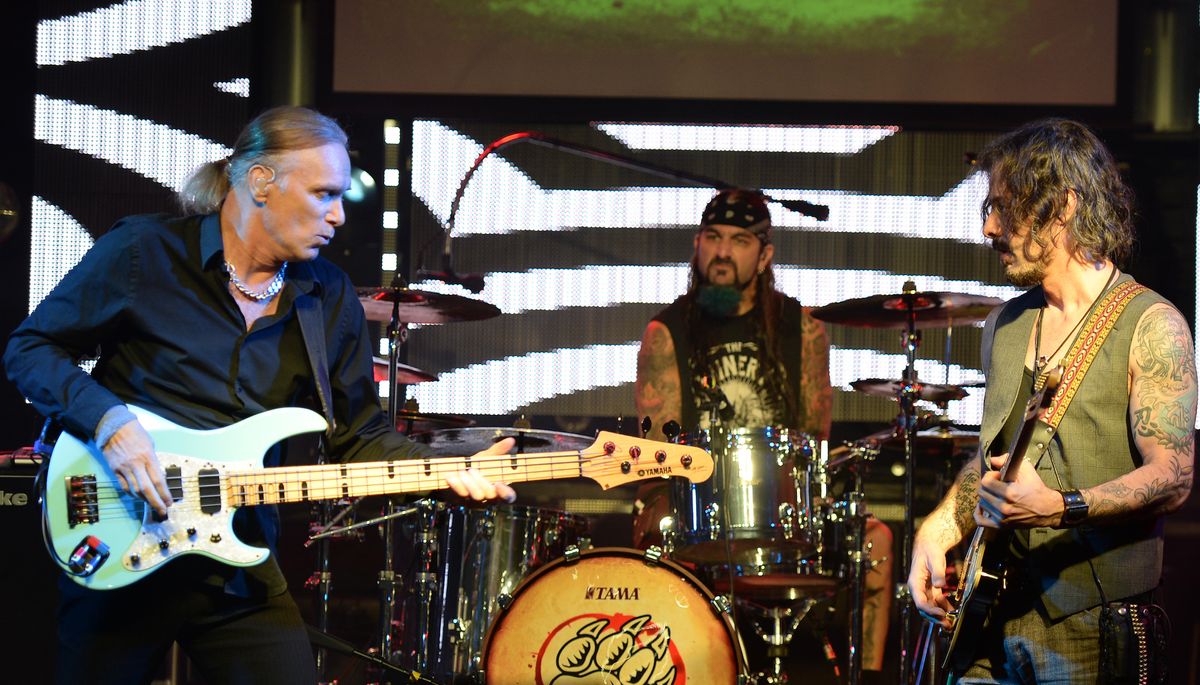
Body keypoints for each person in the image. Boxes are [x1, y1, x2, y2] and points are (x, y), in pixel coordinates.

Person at [4, 106, 513, 684]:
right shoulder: (145, 252)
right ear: (261, 182)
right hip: (121, 541)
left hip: (236, 559)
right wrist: (109, 423)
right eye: (324, 194)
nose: (339, 216)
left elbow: (359, 435)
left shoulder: (327, 295)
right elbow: (30, 350)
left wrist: (445, 470)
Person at [908, 118, 1196, 682]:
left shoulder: (1152, 324)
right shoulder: (1007, 324)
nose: (988, 227)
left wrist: (1061, 506)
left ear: (1061, 207)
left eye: (1002, 207)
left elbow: (1174, 475)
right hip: (991, 612)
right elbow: (996, 456)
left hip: (1092, 621)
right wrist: (939, 528)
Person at [633, 188, 893, 675]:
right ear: (697, 244)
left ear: (765, 253)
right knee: (651, 526)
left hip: (782, 514)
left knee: (874, 542)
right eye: (713, 237)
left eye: (739, 240)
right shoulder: (666, 332)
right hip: (701, 514)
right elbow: (656, 454)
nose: (723, 252)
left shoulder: (804, 330)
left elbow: (812, 442)